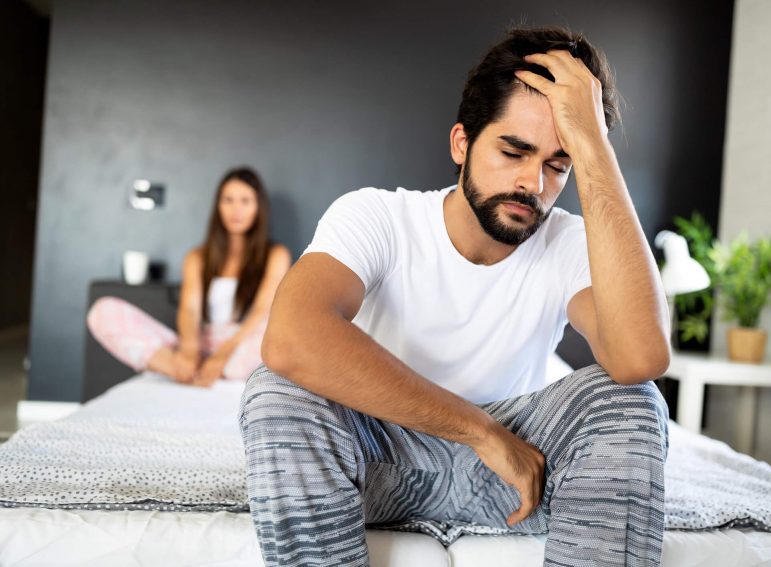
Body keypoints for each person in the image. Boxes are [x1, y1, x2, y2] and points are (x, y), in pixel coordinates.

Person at [240, 26, 671, 566]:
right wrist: (481, 432)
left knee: (633, 399)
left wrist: (594, 146)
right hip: (377, 470)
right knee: (277, 388)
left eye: (558, 165)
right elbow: (290, 338)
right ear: (461, 143)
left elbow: (641, 359)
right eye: (513, 151)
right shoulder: (378, 216)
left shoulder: (570, 243)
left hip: (519, 481)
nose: (532, 183)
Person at [87, 167, 291, 387]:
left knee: (277, 335)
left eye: (245, 201)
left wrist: (222, 355)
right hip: (202, 341)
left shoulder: (276, 255)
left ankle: (211, 371)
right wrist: (189, 351)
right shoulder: (197, 257)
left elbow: (261, 312)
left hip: (243, 344)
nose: (236, 210)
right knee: (102, 311)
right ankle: (184, 369)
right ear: (218, 206)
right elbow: (190, 310)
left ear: (258, 207)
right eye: (228, 200)